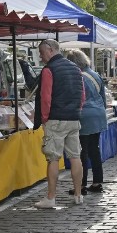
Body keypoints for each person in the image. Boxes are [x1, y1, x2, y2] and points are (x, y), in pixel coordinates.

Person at [33, 39, 85, 208]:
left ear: (49, 50)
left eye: (41, 53)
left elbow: (45, 98)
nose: (41, 58)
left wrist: (44, 118)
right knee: (75, 157)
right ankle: (78, 195)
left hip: (55, 118)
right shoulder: (76, 69)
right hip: (73, 118)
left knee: (53, 158)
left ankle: (51, 197)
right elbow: (82, 96)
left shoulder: (49, 70)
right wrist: (76, 111)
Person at [66, 49, 107, 194]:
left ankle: (81, 185)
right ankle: (97, 182)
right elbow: (103, 96)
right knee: (94, 149)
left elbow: (75, 97)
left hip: (84, 115)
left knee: (81, 151)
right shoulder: (95, 74)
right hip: (98, 114)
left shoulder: (77, 76)